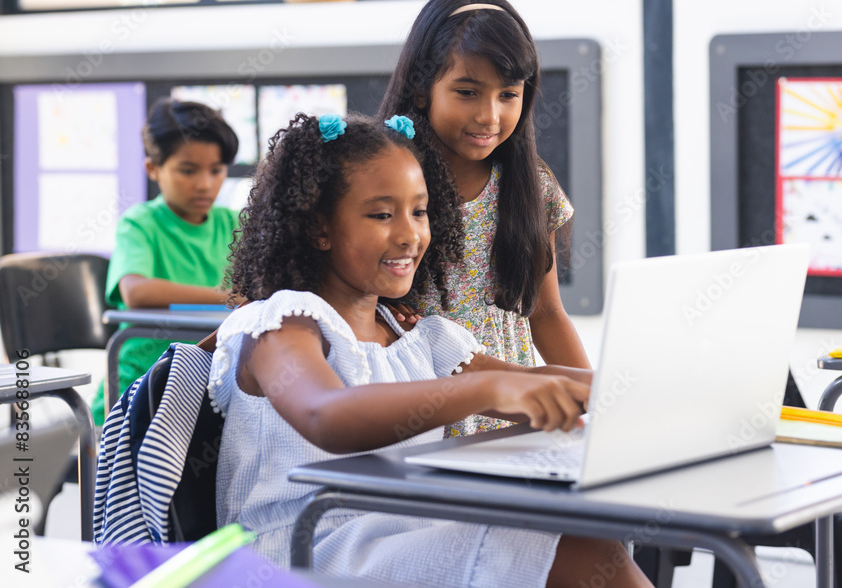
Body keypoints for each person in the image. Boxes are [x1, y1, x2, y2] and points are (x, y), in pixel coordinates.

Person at [212, 112, 651, 587]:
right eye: (382, 214)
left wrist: (637, 391)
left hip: (394, 537)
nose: (409, 234)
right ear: (319, 227)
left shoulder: (416, 338)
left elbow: (536, 383)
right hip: (297, 555)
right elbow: (326, 415)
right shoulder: (282, 325)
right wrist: (488, 389)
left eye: (418, 211)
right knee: (574, 550)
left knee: (584, 539)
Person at [378, 0, 592, 437]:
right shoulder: (388, 183)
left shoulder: (530, 185)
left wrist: (594, 410)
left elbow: (547, 313)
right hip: (418, 417)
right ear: (421, 90)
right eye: (468, 91)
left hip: (514, 419)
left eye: (508, 95)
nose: (489, 115)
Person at [93, 98, 240, 424]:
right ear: (153, 169)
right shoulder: (141, 223)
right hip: (141, 386)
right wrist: (230, 297)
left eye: (216, 170)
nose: (205, 183)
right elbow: (137, 293)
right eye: (188, 170)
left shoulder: (235, 224)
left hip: (212, 382)